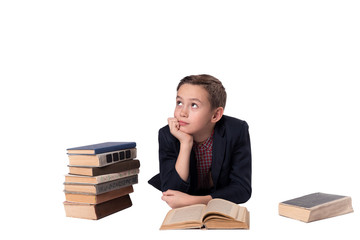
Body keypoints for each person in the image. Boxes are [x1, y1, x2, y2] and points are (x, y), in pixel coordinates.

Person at [148, 74, 251, 208]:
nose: (182, 113)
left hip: (218, 206)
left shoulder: (236, 130)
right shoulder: (167, 134)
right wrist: (185, 144)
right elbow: (171, 193)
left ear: (215, 115)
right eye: (179, 103)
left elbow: (243, 189)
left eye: (194, 105)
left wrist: (193, 200)